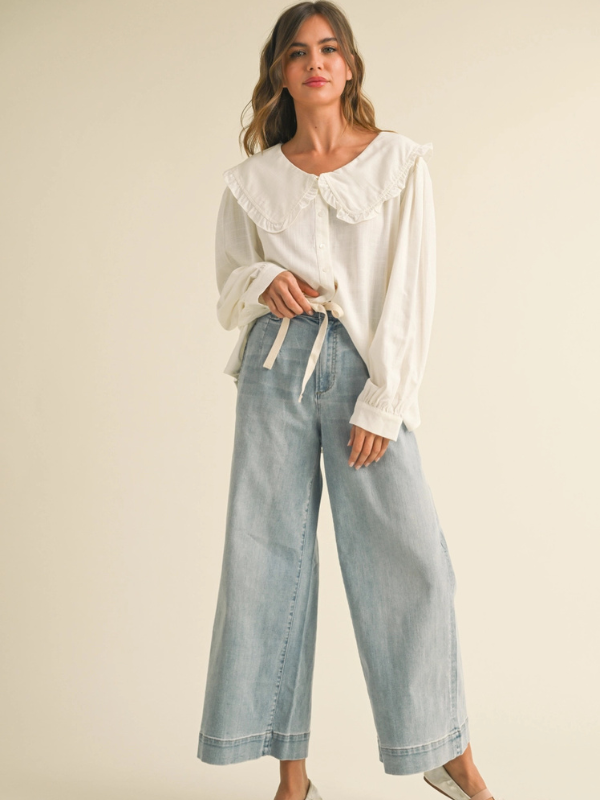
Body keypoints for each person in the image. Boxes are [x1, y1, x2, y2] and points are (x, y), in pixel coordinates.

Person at [197, 3, 501, 800]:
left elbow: (412, 289)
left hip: (366, 372)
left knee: (414, 564)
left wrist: (385, 400)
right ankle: (292, 779)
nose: (316, 62)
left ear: (351, 65)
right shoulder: (253, 181)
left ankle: (447, 749)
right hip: (275, 367)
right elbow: (230, 285)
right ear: (281, 73)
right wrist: (264, 279)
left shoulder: (398, 163)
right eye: (298, 52)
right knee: (268, 564)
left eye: (330, 48)